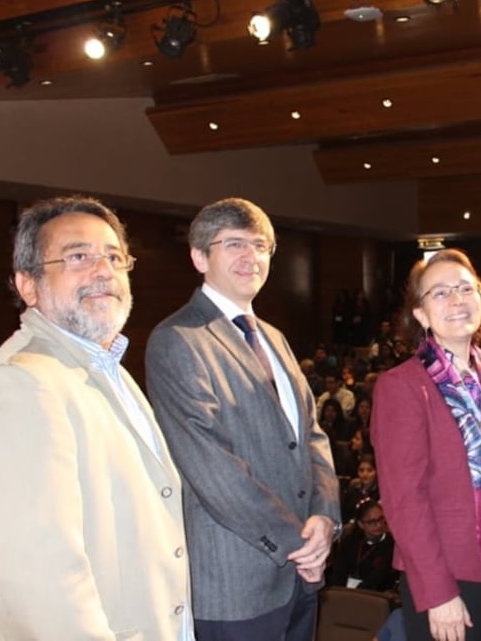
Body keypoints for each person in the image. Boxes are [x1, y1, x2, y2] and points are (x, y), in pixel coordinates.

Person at [0, 196, 193, 638]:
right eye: (78, 256)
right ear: (28, 285)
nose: (103, 270)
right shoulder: (16, 385)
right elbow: (40, 582)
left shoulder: (106, 368)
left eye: (114, 257)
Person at [145, 197, 340, 641]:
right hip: (236, 584)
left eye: (260, 245)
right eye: (233, 244)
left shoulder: (274, 337)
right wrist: (299, 543)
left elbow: (311, 435)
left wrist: (326, 519)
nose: (250, 257)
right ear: (199, 257)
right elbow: (212, 469)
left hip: (302, 573)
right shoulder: (177, 340)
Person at [371, 248, 481, 641]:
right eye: (440, 293)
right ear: (420, 314)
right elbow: (405, 502)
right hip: (449, 573)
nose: (456, 300)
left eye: (465, 289)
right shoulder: (403, 386)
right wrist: (437, 593)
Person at [328, 498, 398, 592]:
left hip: (377, 595)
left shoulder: (391, 543)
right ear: (361, 524)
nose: (378, 525)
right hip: (346, 592)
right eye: (371, 522)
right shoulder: (350, 541)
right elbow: (339, 572)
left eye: (380, 519)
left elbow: (380, 577)